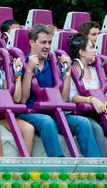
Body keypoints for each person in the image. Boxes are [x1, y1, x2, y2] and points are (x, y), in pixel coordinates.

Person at [18, 24, 100, 157]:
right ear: (32, 42)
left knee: (83, 123)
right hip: (30, 112)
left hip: (54, 113)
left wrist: (67, 72)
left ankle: (94, 166)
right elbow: (22, 99)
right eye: (43, 42)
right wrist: (29, 71)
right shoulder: (22, 62)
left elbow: (63, 98)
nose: (47, 46)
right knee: (46, 121)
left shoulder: (53, 63)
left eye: (50, 42)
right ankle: (59, 162)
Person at [67, 33, 107, 157]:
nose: (95, 51)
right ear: (82, 52)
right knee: (96, 129)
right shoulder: (71, 71)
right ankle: (100, 165)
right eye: (92, 47)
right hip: (81, 113)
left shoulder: (96, 70)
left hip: (100, 111)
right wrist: (91, 100)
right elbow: (72, 97)